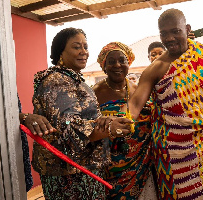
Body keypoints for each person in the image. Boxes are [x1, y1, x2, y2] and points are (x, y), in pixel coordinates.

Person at [111, 8, 203, 199]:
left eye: (175, 31)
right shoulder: (156, 69)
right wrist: (118, 121)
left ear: (187, 29)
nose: (169, 38)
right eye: (164, 33)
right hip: (175, 153)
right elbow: (135, 103)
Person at [31, 28, 127, 200]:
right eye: (76, 47)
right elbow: (67, 127)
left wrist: (104, 121)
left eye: (85, 46)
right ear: (60, 52)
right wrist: (109, 129)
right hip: (69, 173)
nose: (84, 52)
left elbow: (82, 117)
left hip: (82, 168)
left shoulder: (73, 79)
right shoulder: (56, 81)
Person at [93, 42, 157, 200]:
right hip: (109, 167)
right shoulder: (94, 93)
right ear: (104, 66)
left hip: (141, 164)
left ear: (129, 63)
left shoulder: (139, 90)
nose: (117, 65)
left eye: (122, 60)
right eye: (111, 62)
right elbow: (89, 127)